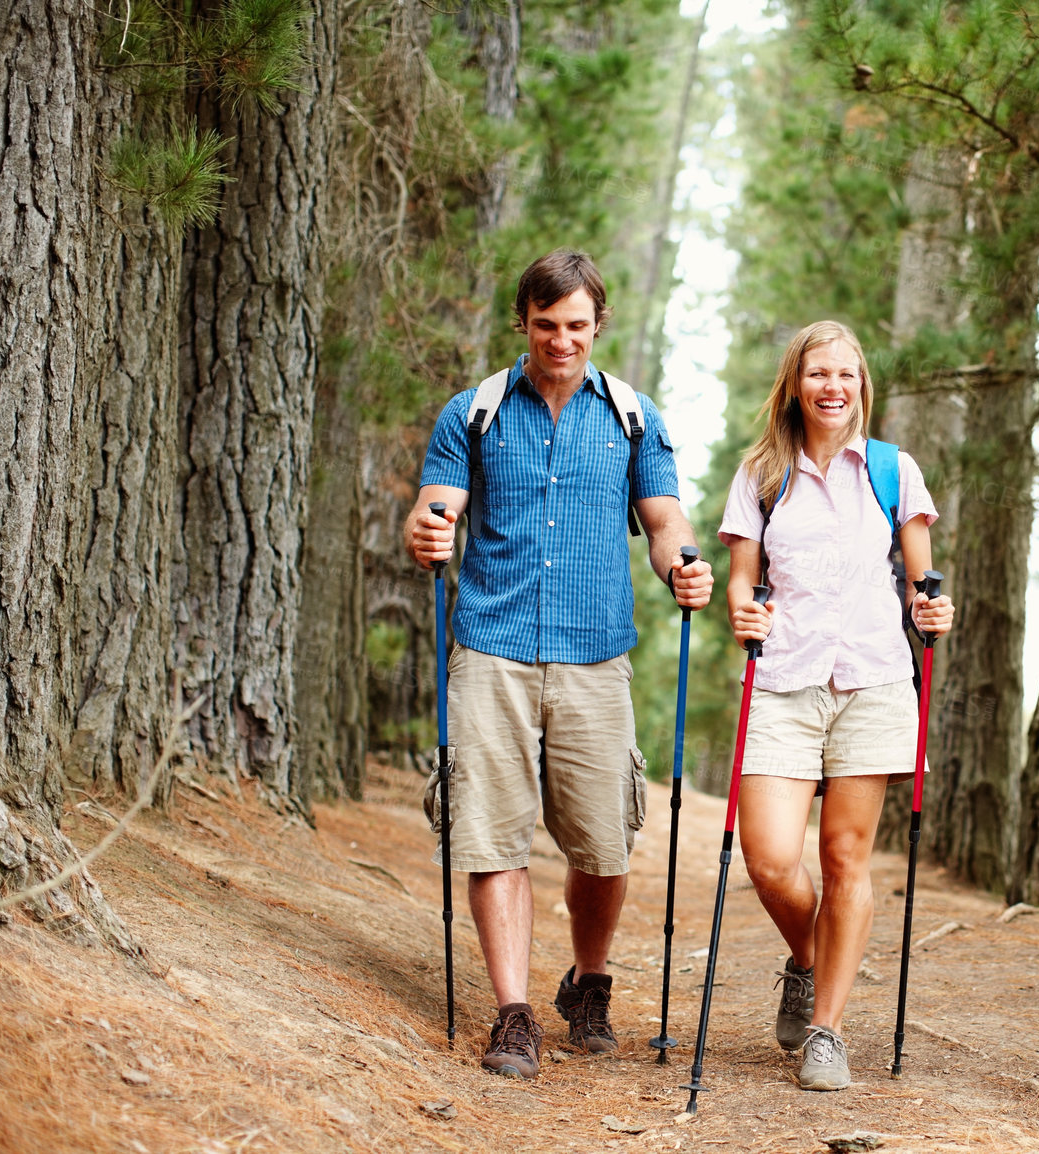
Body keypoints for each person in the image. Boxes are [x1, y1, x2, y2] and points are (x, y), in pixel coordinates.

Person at [404, 248, 712, 1079]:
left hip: (594, 654)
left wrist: (685, 562)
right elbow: (435, 511)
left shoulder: (633, 418)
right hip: (491, 649)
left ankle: (588, 979)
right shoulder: (474, 411)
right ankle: (514, 1013)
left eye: (577, 326)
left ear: (598, 325)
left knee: (604, 845)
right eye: (547, 325)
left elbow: (664, 521)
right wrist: (428, 531)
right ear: (523, 322)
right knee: (490, 834)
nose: (562, 341)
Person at [716, 320, 955, 1091]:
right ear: (795, 383)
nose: (833, 388)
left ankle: (828, 1029)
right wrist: (742, 609)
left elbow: (922, 575)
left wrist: (932, 607)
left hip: (875, 682)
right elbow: (742, 580)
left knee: (846, 860)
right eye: (818, 374)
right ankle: (807, 960)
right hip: (784, 683)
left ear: (861, 385)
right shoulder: (761, 473)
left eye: (846, 375)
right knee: (772, 859)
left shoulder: (892, 470)